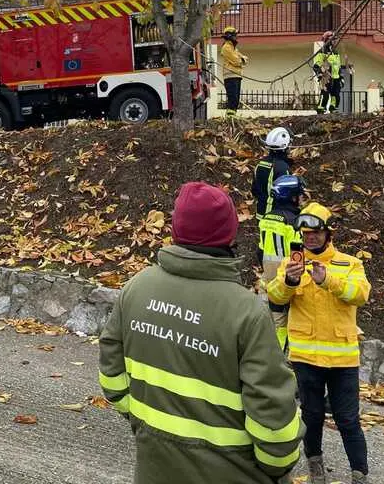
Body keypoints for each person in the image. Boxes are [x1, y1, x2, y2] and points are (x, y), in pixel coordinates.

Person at [99, 182, 303, 484]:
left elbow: (112, 377)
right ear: (228, 234)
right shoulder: (246, 311)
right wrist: (275, 470)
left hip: (155, 469)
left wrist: (148, 425)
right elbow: (275, 425)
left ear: (176, 228)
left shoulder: (136, 289)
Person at [267, 203, 372, 484]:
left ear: (328, 233)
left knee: (348, 419)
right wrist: (289, 281)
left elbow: (360, 294)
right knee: (311, 416)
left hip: (343, 358)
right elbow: (275, 298)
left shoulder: (349, 264)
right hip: (306, 356)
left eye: (316, 232)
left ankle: (359, 474)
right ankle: (315, 465)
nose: (310, 237)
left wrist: (329, 280)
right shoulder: (291, 264)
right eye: (306, 233)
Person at [257, 175, 306, 351]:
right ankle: (278, 358)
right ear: (291, 196)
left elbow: (260, 250)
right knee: (282, 323)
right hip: (286, 278)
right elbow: (298, 254)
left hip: (268, 279)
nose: (302, 198)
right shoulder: (294, 223)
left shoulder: (266, 218)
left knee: (269, 320)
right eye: (300, 194)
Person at [252, 127, 292, 220]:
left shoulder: (260, 163)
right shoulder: (282, 168)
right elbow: (286, 196)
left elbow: (254, 190)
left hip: (260, 214)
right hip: (275, 218)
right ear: (285, 146)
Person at [312, 32, 351, 114]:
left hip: (336, 77)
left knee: (336, 95)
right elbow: (316, 65)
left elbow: (338, 66)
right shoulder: (322, 52)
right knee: (325, 94)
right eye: (333, 39)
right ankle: (321, 108)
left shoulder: (335, 52)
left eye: (335, 39)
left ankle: (333, 108)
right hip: (326, 77)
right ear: (327, 40)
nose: (334, 41)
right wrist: (320, 75)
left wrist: (341, 78)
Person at [220, 26, 248, 115]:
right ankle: (230, 117)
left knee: (236, 99)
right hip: (230, 76)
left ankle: (233, 115)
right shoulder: (226, 48)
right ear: (229, 36)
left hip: (236, 75)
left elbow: (245, 59)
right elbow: (237, 61)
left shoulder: (233, 48)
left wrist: (242, 59)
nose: (237, 37)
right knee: (233, 99)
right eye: (235, 35)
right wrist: (242, 59)